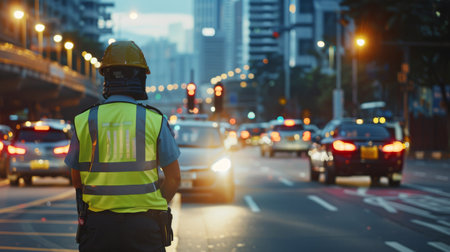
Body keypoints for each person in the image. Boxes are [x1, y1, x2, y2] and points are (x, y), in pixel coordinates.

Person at [64, 41, 181, 252]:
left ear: (106, 78)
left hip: (98, 228)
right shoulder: (154, 119)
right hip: (145, 227)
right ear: (140, 77)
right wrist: (155, 203)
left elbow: (76, 179)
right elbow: (174, 178)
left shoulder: (84, 120)